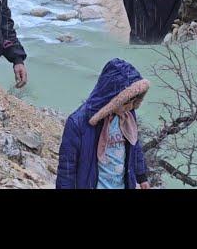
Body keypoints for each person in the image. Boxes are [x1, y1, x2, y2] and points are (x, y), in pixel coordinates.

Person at [56, 58, 150, 189]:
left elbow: (135, 147)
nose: (130, 106)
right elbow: (67, 169)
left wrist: (142, 176)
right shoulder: (78, 123)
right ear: (113, 96)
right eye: (126, 101)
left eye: (134, 101)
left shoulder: (127, 117)